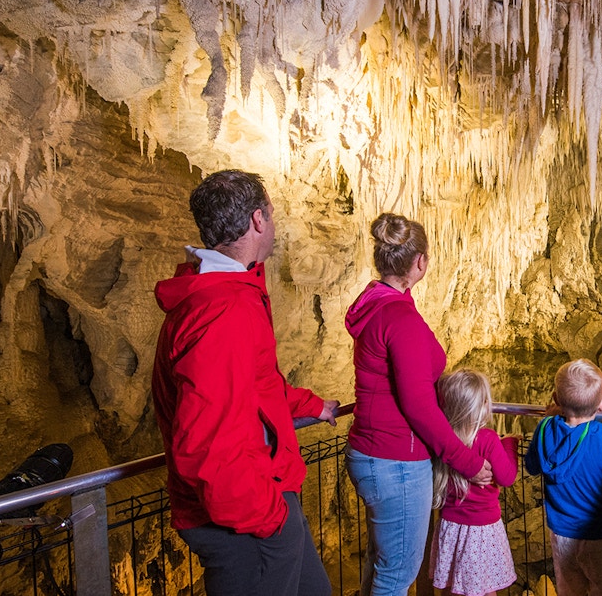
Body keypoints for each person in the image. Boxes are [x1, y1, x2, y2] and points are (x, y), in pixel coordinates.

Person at [150, 170, 339, 596]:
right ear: (257, 220)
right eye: (271, 215)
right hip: (246, 519)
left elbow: (251, 387)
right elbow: (207, 441)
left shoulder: (223, 293)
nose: (273, 224)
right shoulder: (224, 310)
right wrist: (271, 518)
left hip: (261, 498)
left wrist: (312, 405)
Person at [344, 213, 494, 596]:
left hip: (371, 451)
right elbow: (419, 407)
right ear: (420, 262)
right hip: (396, 460)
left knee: (382, 564)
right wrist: (469, 462)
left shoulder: (377, 304)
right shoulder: (399, 319)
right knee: (398, 576)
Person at [525, 359, 602, 596]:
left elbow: (531, 466)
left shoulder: (544, 429)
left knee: (570, 588)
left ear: (556, 399)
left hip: (561, 533)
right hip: (599, 532)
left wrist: (549, 421)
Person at [429, 370, 520, 596]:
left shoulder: (442, 439)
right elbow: (507, 477)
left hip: (450, 526)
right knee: (485, 587)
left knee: (453, 587)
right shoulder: (487, 439)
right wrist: (510, 444)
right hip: (482, 530)